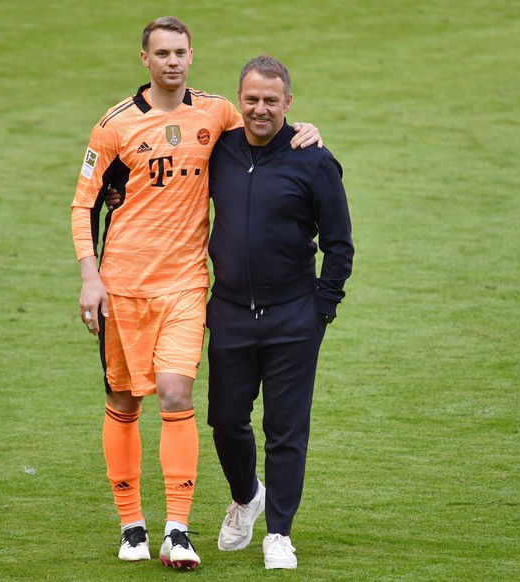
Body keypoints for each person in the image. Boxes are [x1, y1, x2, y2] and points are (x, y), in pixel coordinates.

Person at [70, 18, 322, 570]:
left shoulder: (216, 113)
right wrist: (91, 276)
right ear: (145, 59)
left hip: (187, 284)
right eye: (161, 53)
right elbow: (83, 204)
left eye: (181, 52)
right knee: (123, 401)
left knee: (177, 396)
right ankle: (131, 523)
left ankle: (177, 529)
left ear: (191, 55)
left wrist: (306, 131)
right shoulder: (113, 127)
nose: (173, 62)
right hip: (123, 286)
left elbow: (264, 124)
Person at [205, 55, 354, 570]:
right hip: (227, 314)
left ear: (289, 102)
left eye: (272, 100)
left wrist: (321, 311)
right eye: (251, 99)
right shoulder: (219, 149)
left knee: (286, 428)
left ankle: (280, 534)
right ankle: (247, 496)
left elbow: (340, 245)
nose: (260, 109)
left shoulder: (313, 158)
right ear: (238, 100)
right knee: (225, 420)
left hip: (294, 316)